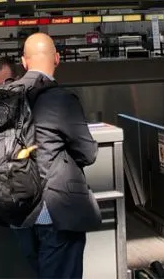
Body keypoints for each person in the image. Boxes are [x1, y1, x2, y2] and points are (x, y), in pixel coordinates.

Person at [12, 33, 100, 279]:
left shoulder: (5, 95)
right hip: (54, 211)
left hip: (18, 212)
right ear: (58, 59)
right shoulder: (61, 99)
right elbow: (88, 152)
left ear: (24, 62)